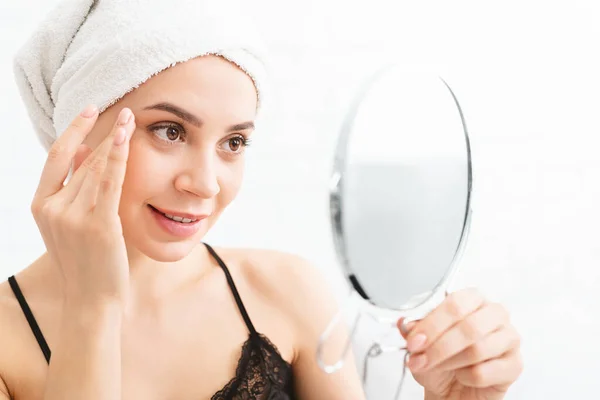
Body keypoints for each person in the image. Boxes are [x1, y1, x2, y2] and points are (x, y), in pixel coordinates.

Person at [0, 1, 523, 399]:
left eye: (234, 142)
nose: (205, 184)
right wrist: (94, 307)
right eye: (169, 131)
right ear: (77, 131)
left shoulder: (285, 292)